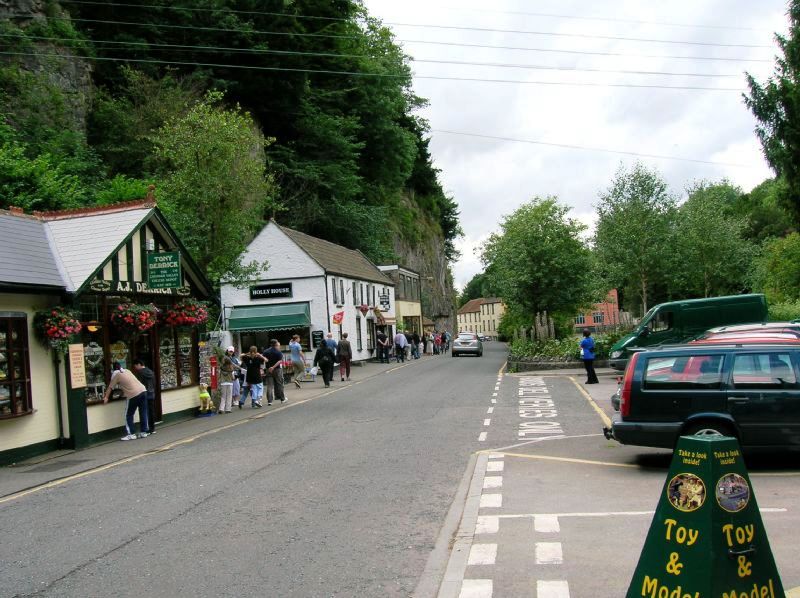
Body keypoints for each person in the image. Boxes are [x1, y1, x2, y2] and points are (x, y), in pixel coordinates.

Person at [103, 361, 148, 441]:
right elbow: (128, 383)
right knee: (143, 412)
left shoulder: (116, 375)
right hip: (143, 391)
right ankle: (143, 432)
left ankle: (131, 434)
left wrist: (106, 397)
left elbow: (110, 388)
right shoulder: (127, 371)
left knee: (128, 414)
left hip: (133, 394)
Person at [132, 359, 157, 434]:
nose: (135, 368)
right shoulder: (150, 371)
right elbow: (154, 383)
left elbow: (138, 384)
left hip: (144, 394)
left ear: (139, 364)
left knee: (144, 412)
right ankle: (152, 428)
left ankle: (146, 429)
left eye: (135, 366)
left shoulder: (140, 373)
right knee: (151, 411)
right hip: (151, 393)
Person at [218, 346, 242, 413]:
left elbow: (219, 375)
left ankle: (221, 408)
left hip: (223, 382)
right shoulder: (231, 368)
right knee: (229, 395)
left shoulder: (222, 367)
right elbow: (233, 374)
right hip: (229, 382)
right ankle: (228, 409)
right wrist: (241, 369)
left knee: (223, 396)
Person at [262, 339, 286, 405]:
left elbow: (263, 359)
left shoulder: (266, 351)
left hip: (268, 369)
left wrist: (269, 367)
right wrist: (273, 367)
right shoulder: (278, 352)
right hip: (277, 369)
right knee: (279, 384)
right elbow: (279, 361)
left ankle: (269, 401)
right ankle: (282, 399)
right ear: (276, 344)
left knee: (269, 385)